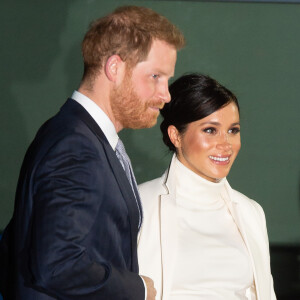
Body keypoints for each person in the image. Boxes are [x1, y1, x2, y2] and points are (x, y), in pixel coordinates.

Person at [0, 6, 185, 300]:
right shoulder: (76, 145)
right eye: (155, 76)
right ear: (115, 68)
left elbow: (21, 243)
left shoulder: (72, 133)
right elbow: (57, 265)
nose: (166, 94)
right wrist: (138, 288)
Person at [137, 73, 276, 300]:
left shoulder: (252, 212)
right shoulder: (139, 205)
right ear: (176, 136)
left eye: (233, 130)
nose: (226, 144)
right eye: (210, 130)